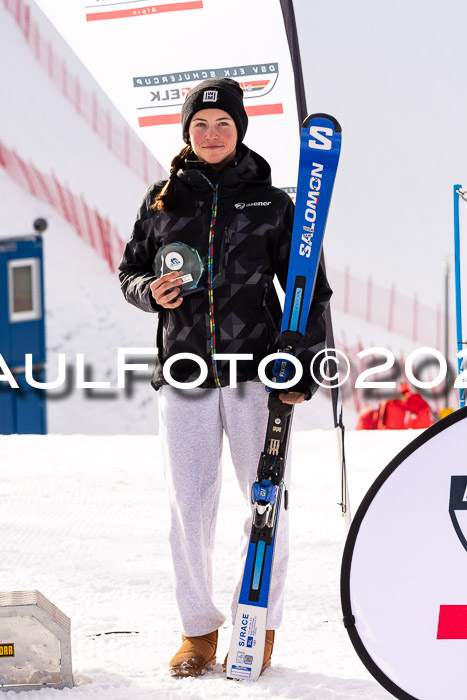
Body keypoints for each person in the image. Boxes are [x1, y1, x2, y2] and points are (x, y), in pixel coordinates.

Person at [118, 78, 332, 677]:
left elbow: (309, 289)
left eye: (223, 125)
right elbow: (131, 269)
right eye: (201, 126)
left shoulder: (271, 203)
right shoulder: (163, 200)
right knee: (188, 507)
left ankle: (255, 622)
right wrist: (148, 292)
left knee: (266, 504)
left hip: (257, 375)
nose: (212, 135)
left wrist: (305, 368)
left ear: (239, 131)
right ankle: (198, 631)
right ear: (186, 133)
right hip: (184, 373)